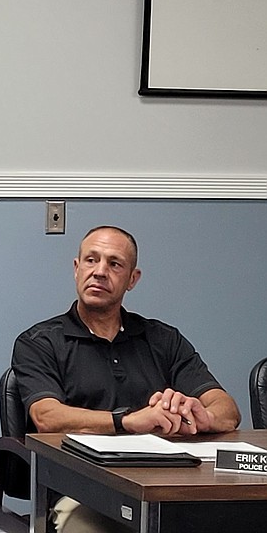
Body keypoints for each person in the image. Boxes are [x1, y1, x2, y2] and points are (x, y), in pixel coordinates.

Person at [12, 225, 240, 533]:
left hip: (165, 491)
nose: (100, 271)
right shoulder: (40, 342)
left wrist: (204, 415)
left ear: (132, 279)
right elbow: (47, 417)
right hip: (81, 494)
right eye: (91, 260)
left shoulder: (163, 339)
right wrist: (127, 421)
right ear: (77, 269)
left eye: (114, 263)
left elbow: (228, 410)